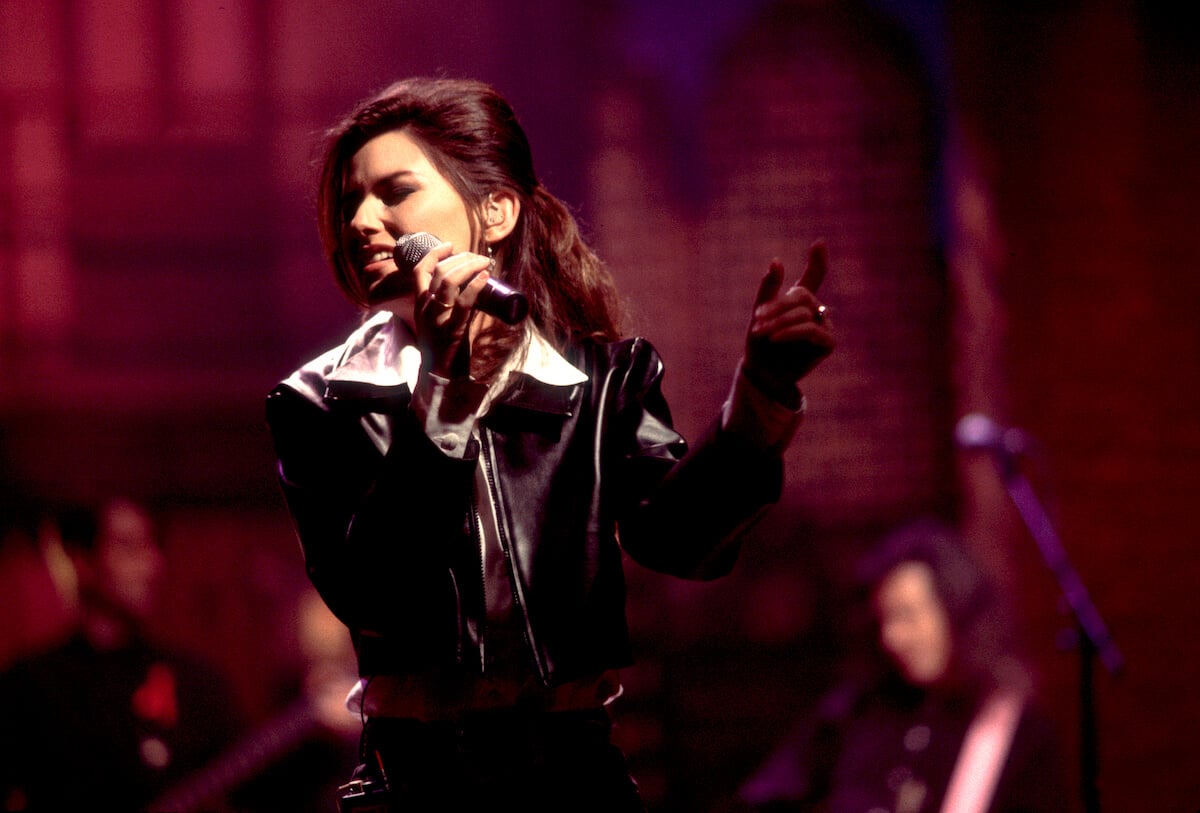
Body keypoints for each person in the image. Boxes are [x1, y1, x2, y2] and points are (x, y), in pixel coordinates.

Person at [264, 76, 835, 812]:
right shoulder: (319, 403)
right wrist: (443, 389)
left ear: (495, 210)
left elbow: (683, 541)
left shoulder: (600, 379)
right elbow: (377, 592)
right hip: (415, 779)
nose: (364, 220)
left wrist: (762, 392)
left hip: (573, 774)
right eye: (349, 202)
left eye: (394, 192)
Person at [738, 519, 1069, 813]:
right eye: (884, 619)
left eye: (908, 616)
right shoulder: (854, 712)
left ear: (956, 610)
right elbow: (765, 795)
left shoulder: (1018, 735)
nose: (892, 637)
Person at [0, 497, 243, 812]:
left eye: (152, 546)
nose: (152, 564)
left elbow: (259, 781)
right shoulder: (30, 685)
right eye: (129, 547)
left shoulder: (194, 681)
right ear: (81, 560)